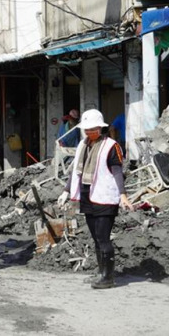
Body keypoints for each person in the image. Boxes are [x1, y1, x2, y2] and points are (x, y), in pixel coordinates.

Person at [57, 109, 133, 289]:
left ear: (100, 128)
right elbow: (76, 171)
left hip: (105, 197)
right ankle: (101, 272)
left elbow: (117, 172)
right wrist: (66, 191)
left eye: (93, 129)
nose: (89, 132)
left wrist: (123, 195)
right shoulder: (83, 145)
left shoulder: (111, 146)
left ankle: (108, 277)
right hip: (87, 196)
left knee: (103, 237)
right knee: (96, 237)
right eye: (87, 129)